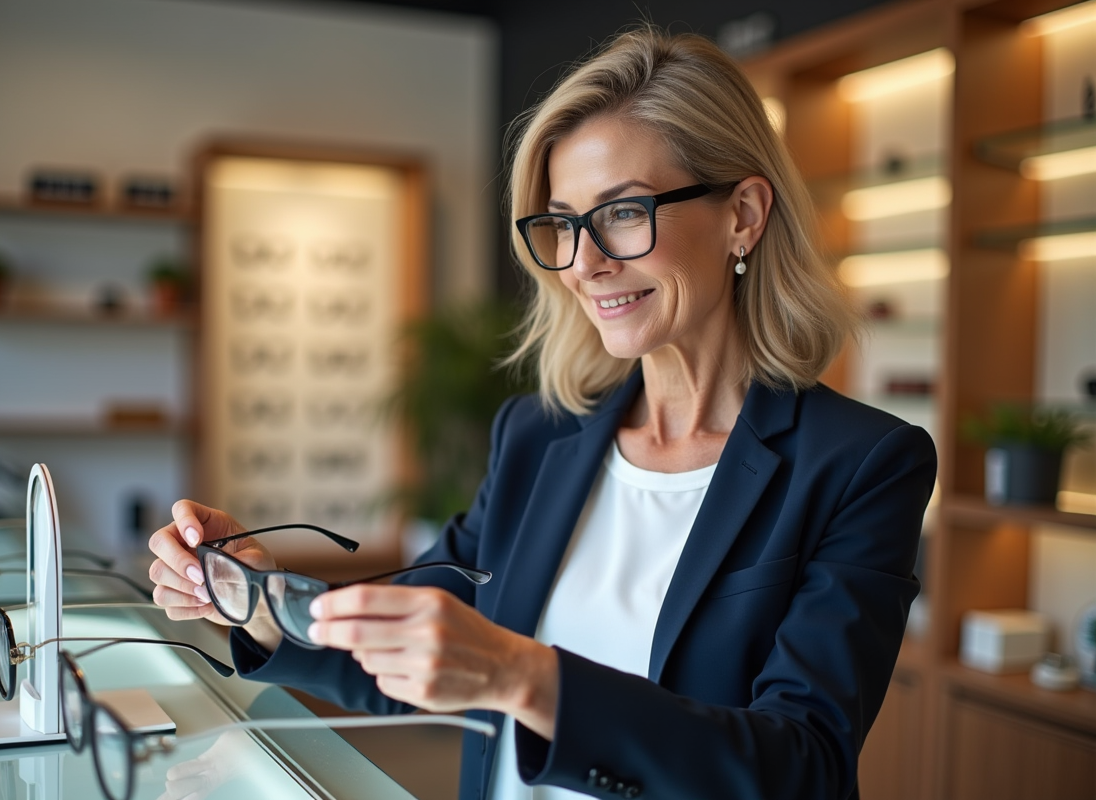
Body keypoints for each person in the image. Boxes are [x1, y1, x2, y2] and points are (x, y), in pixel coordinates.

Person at [147, 26, 936, 800]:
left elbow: (803, 767)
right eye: (562, 223)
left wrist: (522, 674)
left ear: (743, 215)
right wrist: (254, 598)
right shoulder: (540, 435)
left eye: (625, 213)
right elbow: (412, 655)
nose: (584, 263)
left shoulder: (862, 464)